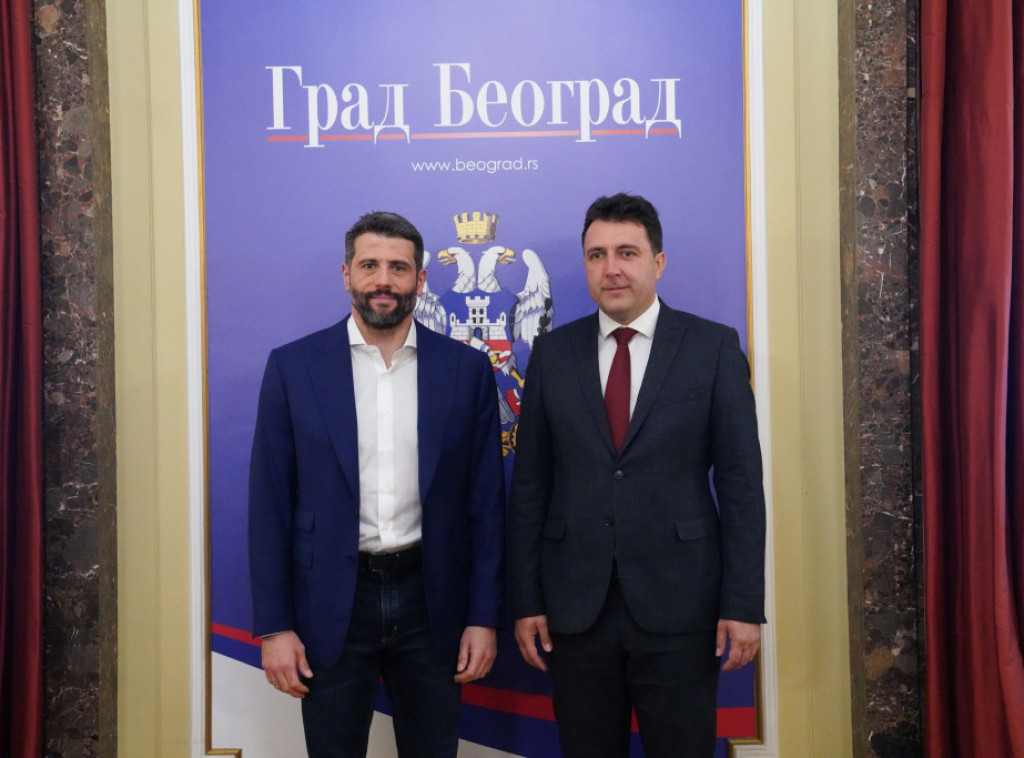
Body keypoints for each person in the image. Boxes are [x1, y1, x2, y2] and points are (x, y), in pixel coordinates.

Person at [508, 193, 765, 758]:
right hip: (576, 610)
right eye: (597, 255)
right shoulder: (552, 354)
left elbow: (742, 487)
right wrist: (525, 600)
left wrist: (743, 605)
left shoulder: (712, 348)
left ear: (658, 262)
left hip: (683, 607)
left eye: (627, 252)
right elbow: (529, 488)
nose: (612, 269)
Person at [248, 211, 506, 758]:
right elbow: (269, 505)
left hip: (432, 603)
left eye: (398, 267)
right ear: (346, 274)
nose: (383, 281)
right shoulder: (294, 368)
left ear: (420, 279)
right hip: (330, 605)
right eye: (369, 266)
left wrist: (484, 618)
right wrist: (275, 627)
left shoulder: (466, 371)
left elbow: (486, 506)